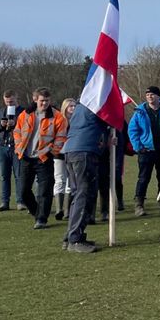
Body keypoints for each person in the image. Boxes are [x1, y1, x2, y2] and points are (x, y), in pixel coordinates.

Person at [14, 87, 67, 229]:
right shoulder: (25, 114)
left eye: (47, 101)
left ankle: (42, 219)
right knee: (23, 191)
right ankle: (37, 212)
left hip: (44, 158)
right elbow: (17, 131)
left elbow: (61, 137)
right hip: (25, 157)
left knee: (45, 190)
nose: (44, 103)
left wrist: (52, 152)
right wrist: (19, 147)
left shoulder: (57, 117)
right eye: (42, 101)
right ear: (35, 99)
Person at [61, 103, 107, 253]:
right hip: (84, 152)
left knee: (77, 194)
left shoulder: (80, 108)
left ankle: (71, 236)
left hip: (71, 151)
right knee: (84, 195)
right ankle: (75, 239)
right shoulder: (94, 106)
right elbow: (109, 120)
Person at [128, 86, 160, 217]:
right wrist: (138, 147)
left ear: (158, 96)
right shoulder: (140, 112)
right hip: (146, 150)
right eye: (148, 95)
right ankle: (139, 204)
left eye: (152, 94)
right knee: (143, 178)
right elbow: (133, 130)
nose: (150, 97)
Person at [0, 90, 25, 211]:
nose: (9, 103)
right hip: (3, 146)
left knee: (18, 175)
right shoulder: (0, 112)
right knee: (4, 176)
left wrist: (15, 124)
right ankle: (5, 202)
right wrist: (1, 126)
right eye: (7, 101)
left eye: (11, 101)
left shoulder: (23, 112)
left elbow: (27, 128)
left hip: (17, 146)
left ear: (16, 98)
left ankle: (21, 201)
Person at [53, 98, 77, 221]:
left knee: (70, 181)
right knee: (60, 179)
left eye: (74, 106)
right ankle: (59, 209)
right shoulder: (59, 120)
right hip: (59, 153)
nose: (73, 108)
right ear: (65, 108)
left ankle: (67, 210)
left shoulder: (77, 121)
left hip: (72, 153)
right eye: (70, 106)